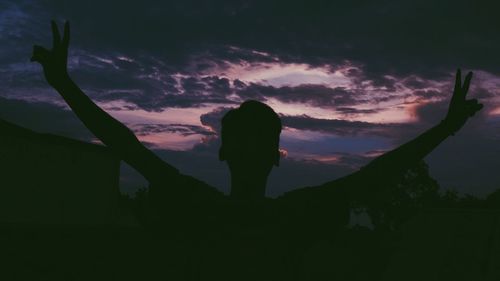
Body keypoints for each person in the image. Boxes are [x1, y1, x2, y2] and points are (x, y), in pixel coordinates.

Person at [31, 21, 483, 280]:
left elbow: (379, 174)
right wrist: (65, 85)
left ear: (269, 154)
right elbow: (126, 146)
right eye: (245, 138)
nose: (249, 148)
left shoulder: (236, 208)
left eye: (258, 139)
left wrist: (445, 129)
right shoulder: (275, 212)